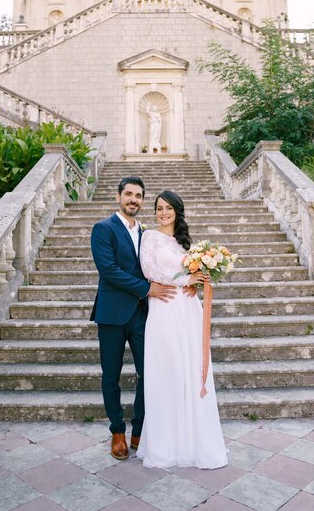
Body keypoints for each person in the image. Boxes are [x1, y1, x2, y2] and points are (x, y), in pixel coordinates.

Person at [136, 190, 228, 469]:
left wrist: (198, 280)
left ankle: (192, 442)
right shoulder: (149, 237)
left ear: (177, 211)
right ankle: (165, 444)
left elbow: (191, 275)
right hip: (164, 309)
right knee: (167, 371)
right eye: (159, 208)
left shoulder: (184, 243)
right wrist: (185, 278)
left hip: (188, 310)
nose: (163, 213)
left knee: (189, 369)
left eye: (168, 208)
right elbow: (149, 271)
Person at [90, 176, 177, 461]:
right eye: (129, 194)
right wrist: (148, 289)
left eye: (138, 196)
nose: (133, 200)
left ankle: (139, 429)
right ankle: (117, 432)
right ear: (119, 197)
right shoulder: (103, 229)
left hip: (142, 315)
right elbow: (109, 270)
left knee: (148, 373)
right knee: (111, 377)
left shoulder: (147, 233)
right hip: (112, 314)